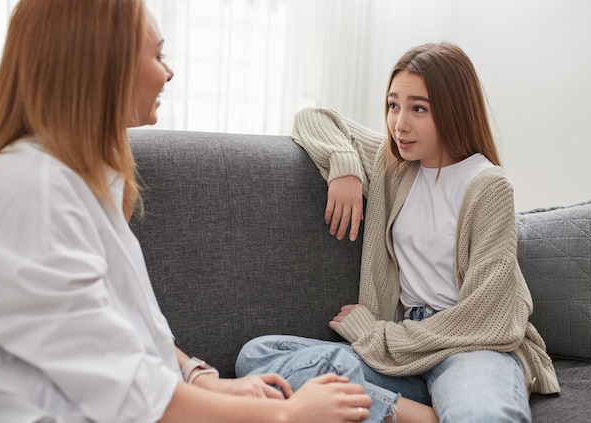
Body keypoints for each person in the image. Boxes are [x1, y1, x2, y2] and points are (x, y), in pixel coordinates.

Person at [0, 0, 374, 422]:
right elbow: (133, 399)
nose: (167, 73)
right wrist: (289, 416)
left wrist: (198, 377)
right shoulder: (31, 191)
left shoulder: (79, 181)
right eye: (158, 55)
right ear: (104, 62)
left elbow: (117, 328)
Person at [235, 42, 561, 422]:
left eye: (418, 108)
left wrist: (375, 336)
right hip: (403, 350)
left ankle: (407, 407)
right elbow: (314, 118)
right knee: (260, 355)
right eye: (393, 105)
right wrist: (344, 167)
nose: (399, 124)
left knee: (481, 414)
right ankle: (408, 414)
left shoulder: (487, 186)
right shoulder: (394, 165)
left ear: (454, 110)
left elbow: (487, 318)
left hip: (470, 349)